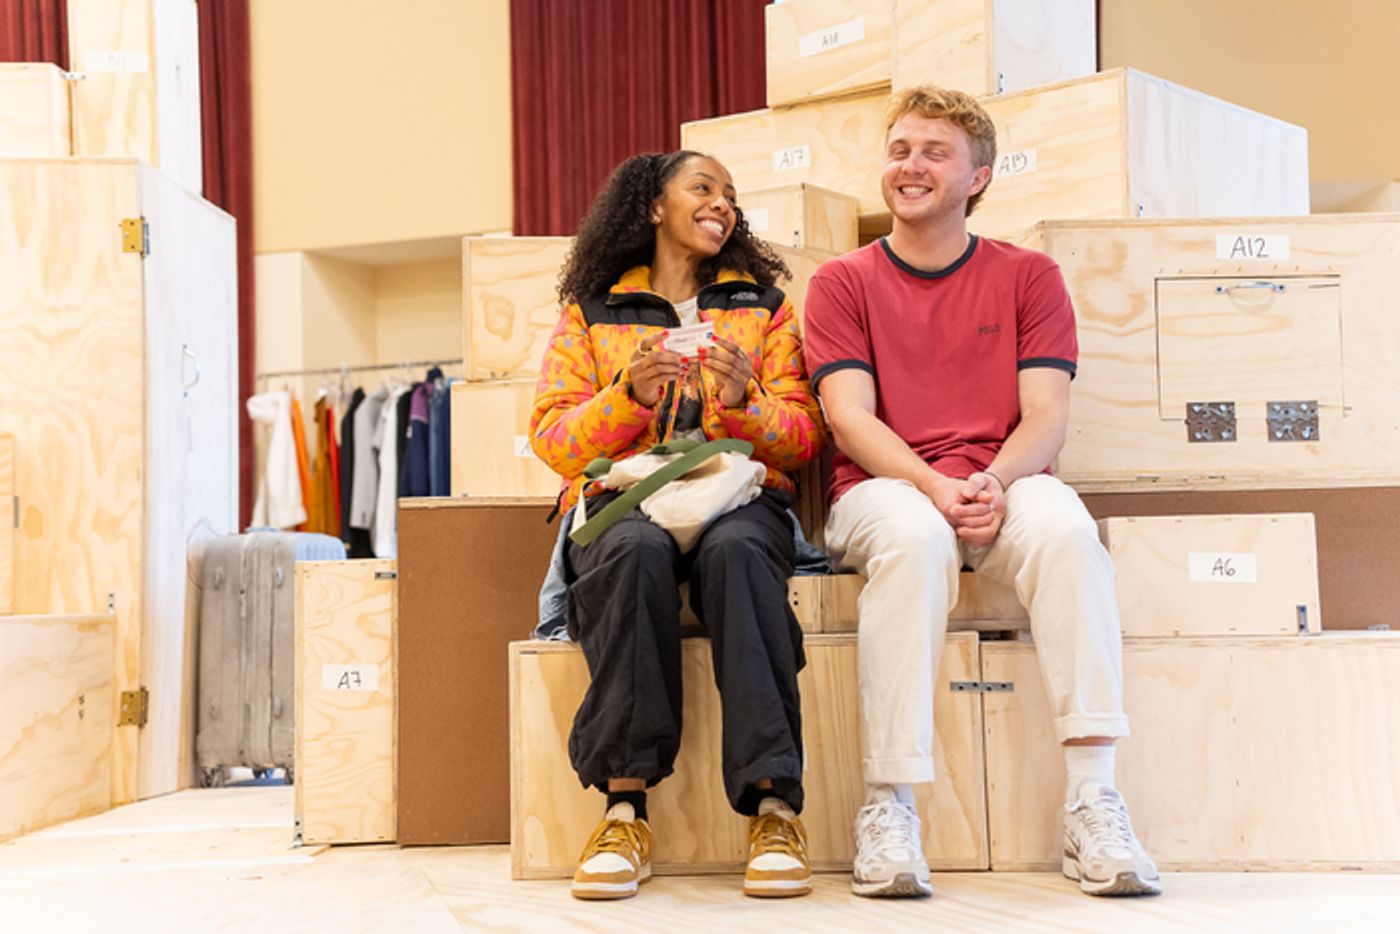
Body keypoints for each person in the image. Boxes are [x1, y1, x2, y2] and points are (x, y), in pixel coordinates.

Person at [802, 86, 1162, 899]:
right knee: (915, 537)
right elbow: (849, 418)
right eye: (899, 150)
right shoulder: (840, 282)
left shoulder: (1029, 276)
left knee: (1069, 533)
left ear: (979, 177)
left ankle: (1092, 800)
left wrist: (994, 480)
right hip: (885, 487)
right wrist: (933, 486)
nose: (911, 166)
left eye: (934, 152)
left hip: (1005, 478)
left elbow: (1046, 416)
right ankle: (888, 805)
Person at [529, 150, 826, 900]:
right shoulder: (592, 311)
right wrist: (626, 395)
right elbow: (553, 439)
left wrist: (744, 399)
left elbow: (801, 439)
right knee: (629, 550)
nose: (721, 204)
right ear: (653, 205)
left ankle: (773, 805)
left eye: (731, 195)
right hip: (629, 500)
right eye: (703, 188)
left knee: (739, 553)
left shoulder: (764, 307)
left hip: (738, 496)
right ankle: (625, 807)